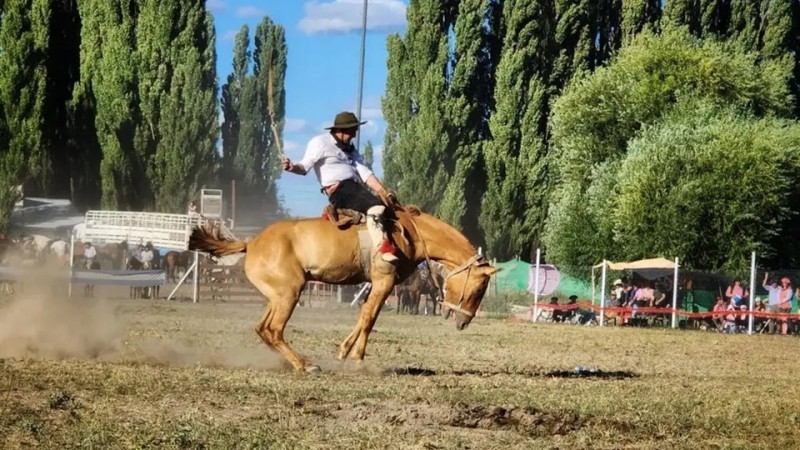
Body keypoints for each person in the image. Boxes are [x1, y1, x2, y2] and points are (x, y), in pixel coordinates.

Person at [281, 111, 398, 263]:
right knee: (376, 207)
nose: (355, 135)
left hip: (354, 188)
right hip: (341, 190)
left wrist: (383, 191)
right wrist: (292, 167)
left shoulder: (350, 149)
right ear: (343, 130)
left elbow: (365, 173)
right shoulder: (320, 143)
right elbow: (304, 167)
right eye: (353, 131)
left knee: (387, 210)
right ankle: (383, 249)